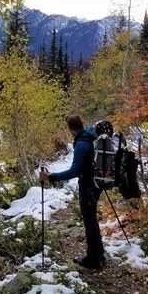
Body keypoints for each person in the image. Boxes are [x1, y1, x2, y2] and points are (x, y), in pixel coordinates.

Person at [39, 114, 105, 269]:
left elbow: (74, 171)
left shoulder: (82, 145)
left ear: (70, 129)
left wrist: (51, 177)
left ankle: (94, 259)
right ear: (83, 123)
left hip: (88, 186)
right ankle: (99, 253)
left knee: (89, 221)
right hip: (97, 183)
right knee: (92, 218)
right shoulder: (91, 136)